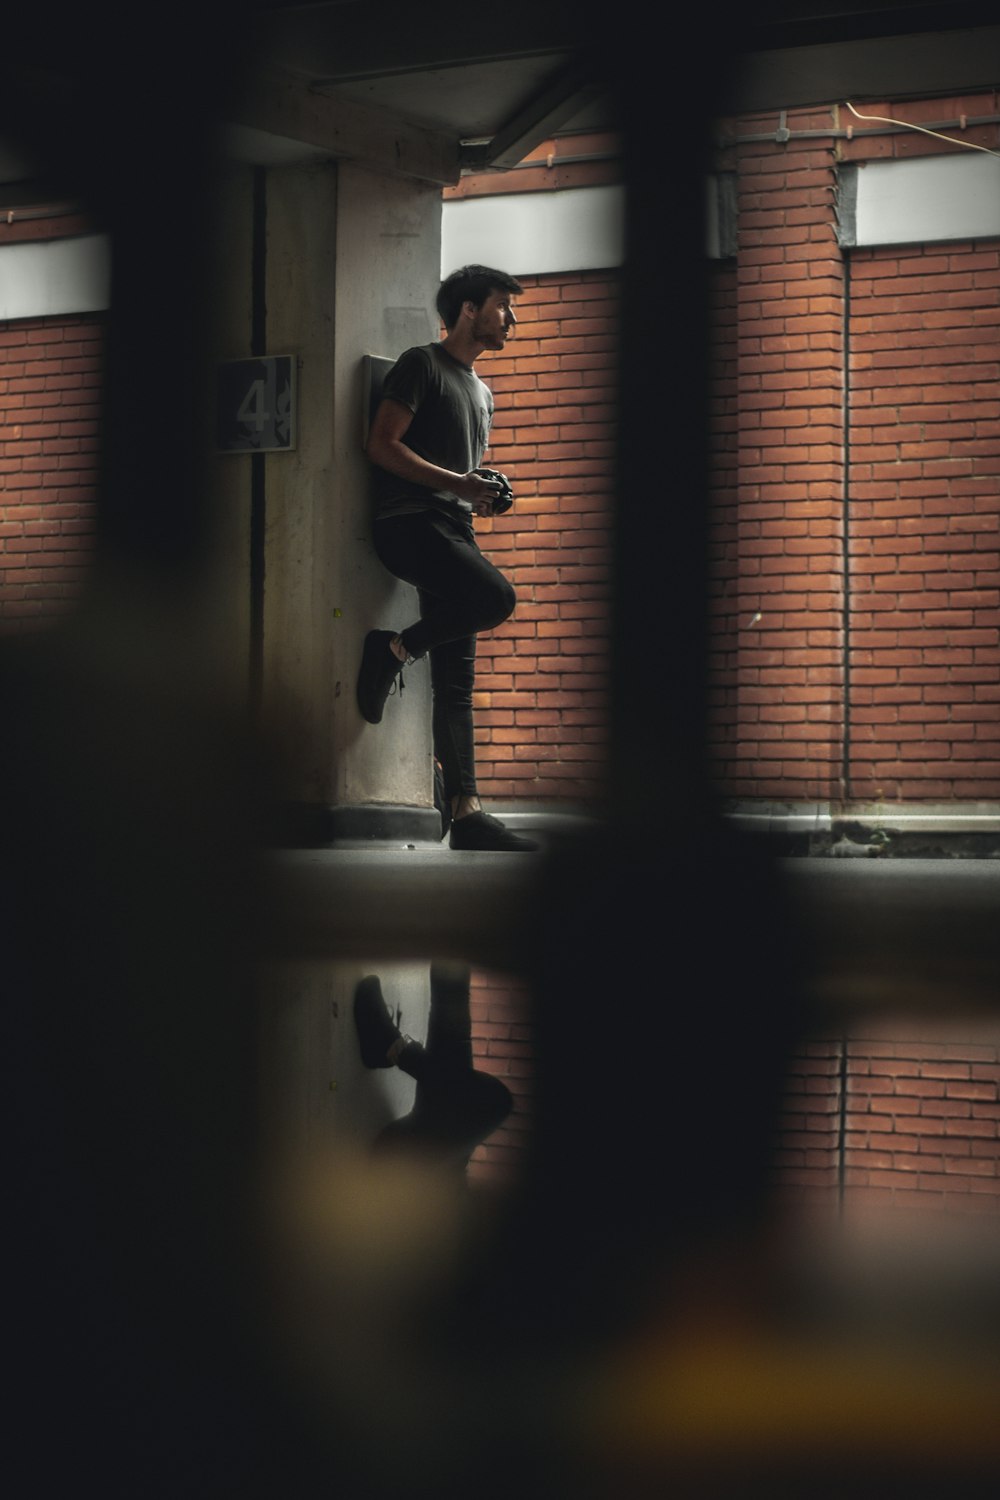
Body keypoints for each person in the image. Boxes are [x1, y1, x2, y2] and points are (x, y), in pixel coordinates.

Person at [356, 263, 538, 852]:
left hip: (454, 528)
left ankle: (466, 812)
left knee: (457, 682)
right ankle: (395, 648)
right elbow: (382, 446)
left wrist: (482, 491)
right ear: (468, 309)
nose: (511, 317)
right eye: (502, 306)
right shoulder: (421, 365)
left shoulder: (482, 392)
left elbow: (461, 472)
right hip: (409, 524)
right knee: (496, 597)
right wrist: (459, 485)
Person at [354, 965, 513, 1170]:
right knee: (453, 1017)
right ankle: (390, 1048)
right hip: (434, 1139)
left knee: (496, 1102)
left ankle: (390, 1047)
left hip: (411, 1165)